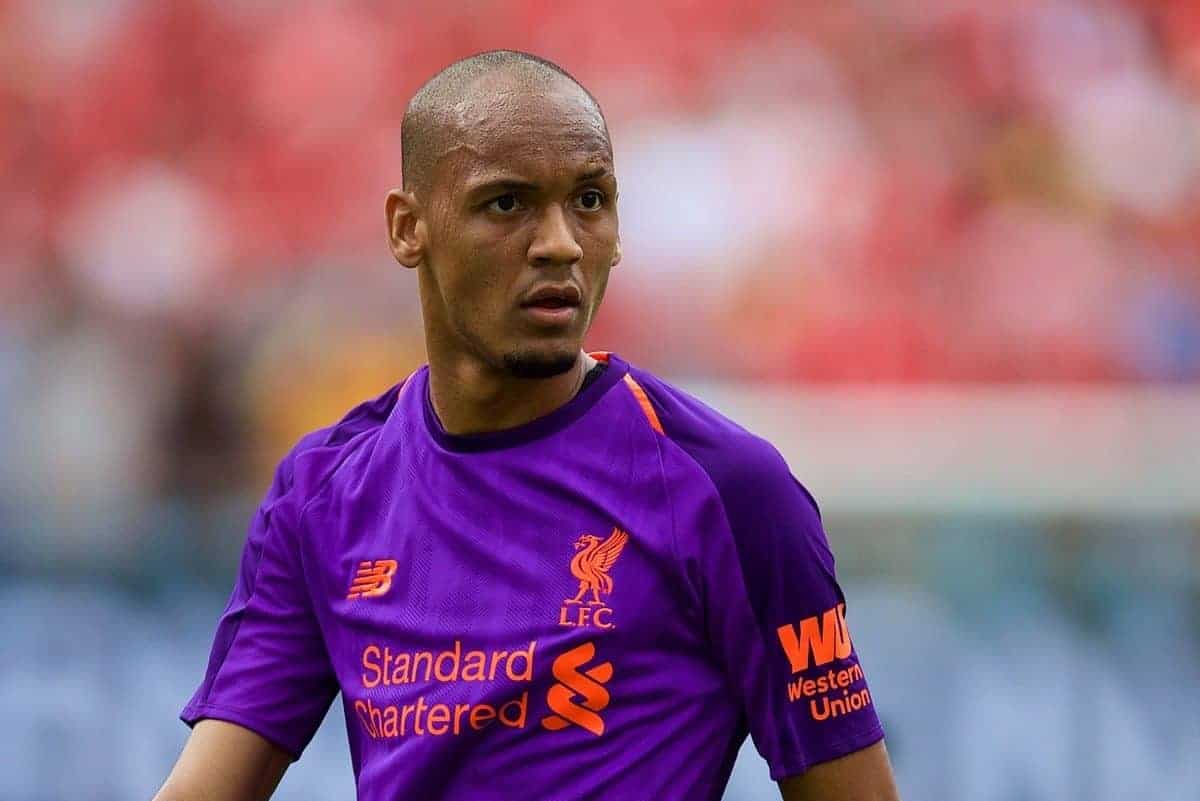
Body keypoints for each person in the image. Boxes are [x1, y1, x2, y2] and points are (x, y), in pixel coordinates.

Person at [153, 50, 900, 801]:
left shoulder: (728, 489)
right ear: (408, 228)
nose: (561, 243)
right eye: (508, 204)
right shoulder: (325, 493)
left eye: (589, 199)